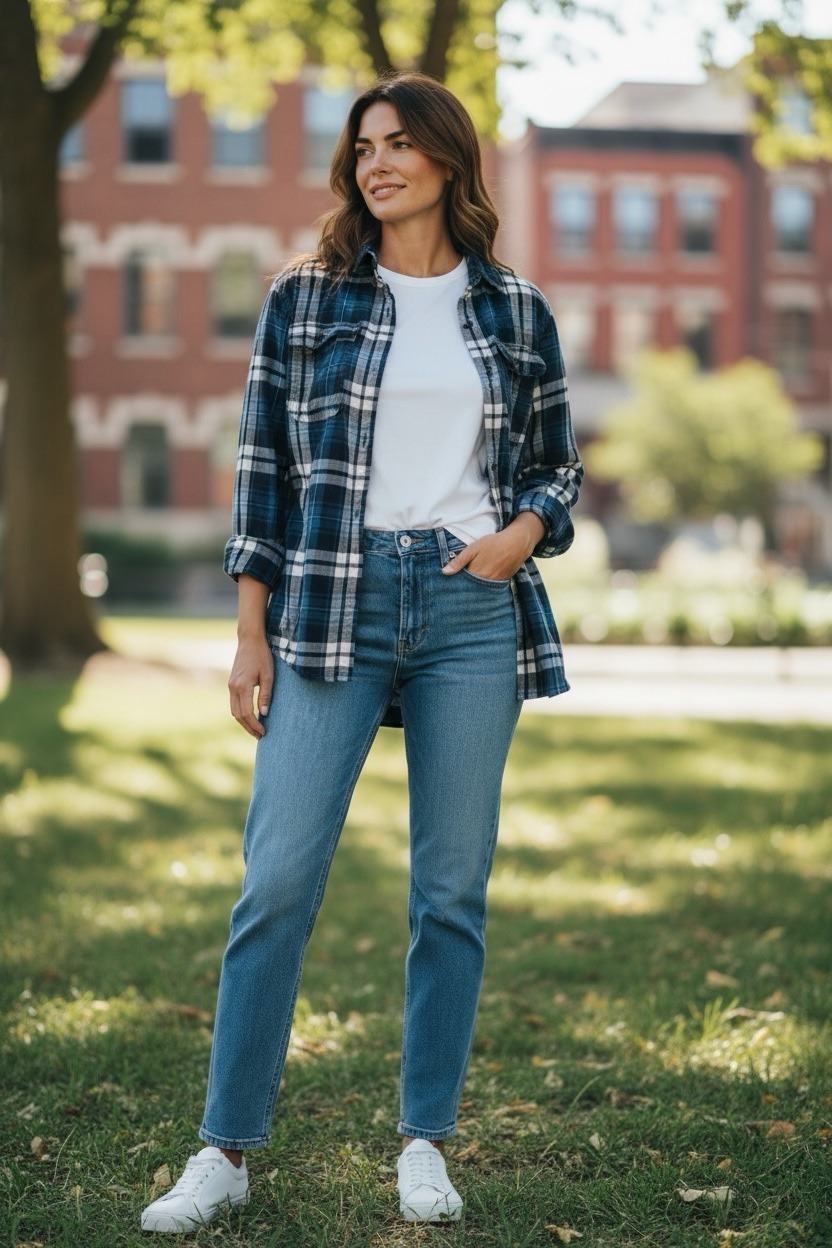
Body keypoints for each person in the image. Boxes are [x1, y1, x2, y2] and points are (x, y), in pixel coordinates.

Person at [140, 68, 582, 1234]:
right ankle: (224, 1151)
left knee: (450, 891)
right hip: (329, 607)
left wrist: (519, 535)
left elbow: (556, 463)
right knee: (276, 881)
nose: (376, 162)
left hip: (468, 612)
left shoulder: (515, 309)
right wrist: (249, 634)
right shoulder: (306, 299)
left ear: (446, 159)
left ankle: (424, 1139)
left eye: (399, 143)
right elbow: (260, 478)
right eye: (363, 146)